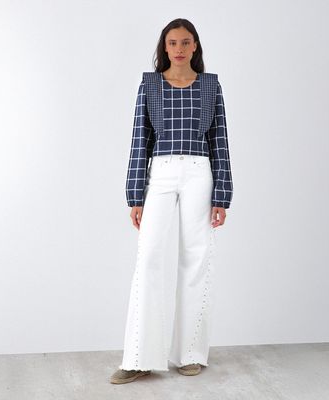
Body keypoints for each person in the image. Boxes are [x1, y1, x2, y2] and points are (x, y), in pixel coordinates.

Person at [110, 18, 233, 385]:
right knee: (148, 257)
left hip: (199, 172)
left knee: (196, 260)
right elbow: (140, 139)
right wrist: (135, 194)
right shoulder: (150, 85)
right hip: (160, 173)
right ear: (165, 47)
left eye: (185, 42)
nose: (179, 48)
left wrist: (222, 195)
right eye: (173, 42)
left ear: (195, 46)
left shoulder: (210, 85)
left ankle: (190, 354)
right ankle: (138, 358)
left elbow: (220, 141)